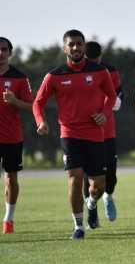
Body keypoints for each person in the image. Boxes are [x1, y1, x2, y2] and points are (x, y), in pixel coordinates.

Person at [33, 30, 116, 239]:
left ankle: (91, 203)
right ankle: (78, 227)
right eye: (72, 44)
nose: (76, 48)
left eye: (79, 44)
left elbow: (112, 96)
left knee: (99, 185)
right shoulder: (54, 76)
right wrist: (41, 121)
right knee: (75, 179)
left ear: (84, 46)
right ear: (65, 48)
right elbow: (38, 102)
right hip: (69, 133)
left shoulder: (100, 71)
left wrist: (104, 114)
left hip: (95, 134)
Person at [82, 41, 123, 222]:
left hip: (107, 131)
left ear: (100, 57)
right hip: (85, 131)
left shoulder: (110, 71)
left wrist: (111, 105)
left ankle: (108, 197)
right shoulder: (77, 72)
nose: (93, 64)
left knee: (110, 174)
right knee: (88, 174)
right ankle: (91, 209)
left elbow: (119, 96)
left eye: (96, 60)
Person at [0, 37, 33, 234]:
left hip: (12, 137)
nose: (0, 53)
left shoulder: (20, 78)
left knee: (11, 179)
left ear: (10, 53)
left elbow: (33, 106)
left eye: (4, 49)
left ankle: (8, 219)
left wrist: (15, 101)